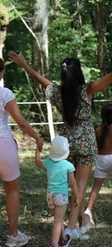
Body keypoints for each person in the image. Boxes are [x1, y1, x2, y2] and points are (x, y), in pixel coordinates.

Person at [9, 42, 112, 239]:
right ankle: (71, 227)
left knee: (67, 183)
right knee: (80, 186)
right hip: (85, 140)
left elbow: (38, 78)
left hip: (65, 142)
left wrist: (24, 65)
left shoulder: (56, 91)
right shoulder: (88, 90)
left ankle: (78, 223)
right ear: (79, 73)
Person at [0, 58, 44, 247]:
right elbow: (22, 123)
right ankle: (12, 235)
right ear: (1, 73)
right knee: (12, 190)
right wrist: (37, 137)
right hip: (3, 144)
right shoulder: (5, 94)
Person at [35, 136, 78, 247]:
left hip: (50, 195)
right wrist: (76, 197)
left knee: (58, 218)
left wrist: (37, 150)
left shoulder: (48, 162)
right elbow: (73, 183)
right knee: (58, 221)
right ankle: (54, 244)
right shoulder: (69, 166)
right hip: (61, 196)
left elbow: (38, 163)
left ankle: (63, 238)